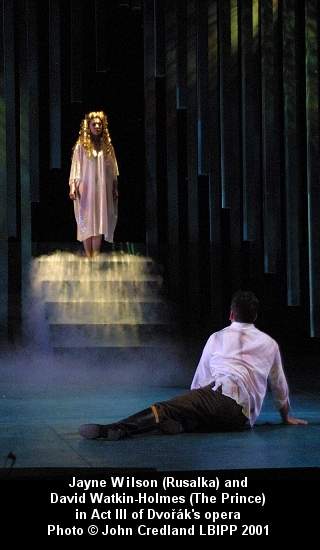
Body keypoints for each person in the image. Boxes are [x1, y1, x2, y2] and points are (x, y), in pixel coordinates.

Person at [79, 290, 307, 440]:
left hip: (224, 396)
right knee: (195, 412)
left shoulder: (217, 337)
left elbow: (201, 380)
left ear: (230, 314)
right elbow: (279, 385)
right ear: (255, 316)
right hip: (243, 420)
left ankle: (115, 429)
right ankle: (183, 422)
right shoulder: (270, 343)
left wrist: (189, 401)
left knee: (168, 407)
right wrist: (285, 416)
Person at [69, 111, 119, 258]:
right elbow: (75, 167)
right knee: (86, 222)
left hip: (101, 190)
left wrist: (115, 188)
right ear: (88, 126)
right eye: (94, 124)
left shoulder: (107, 146)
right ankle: (88, 255)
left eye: (99, 124)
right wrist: (72, 187)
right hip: (85, 189)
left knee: (98, 222)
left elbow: (113, 169)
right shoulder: (81, 146)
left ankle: (94, 258)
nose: (97, 126)